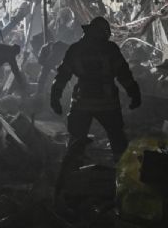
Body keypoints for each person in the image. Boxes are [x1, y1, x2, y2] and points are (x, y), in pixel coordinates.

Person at [50, 16, 141, 187]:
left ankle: (70, 177)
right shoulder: (110, 49)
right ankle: (123, 177)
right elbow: (124, 74)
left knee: (77, 140)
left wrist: (55, 96)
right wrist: (134, 93)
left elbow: (63, 75)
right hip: (107, 103)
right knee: (117, 139)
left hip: (81, 101)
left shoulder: (75, 49)